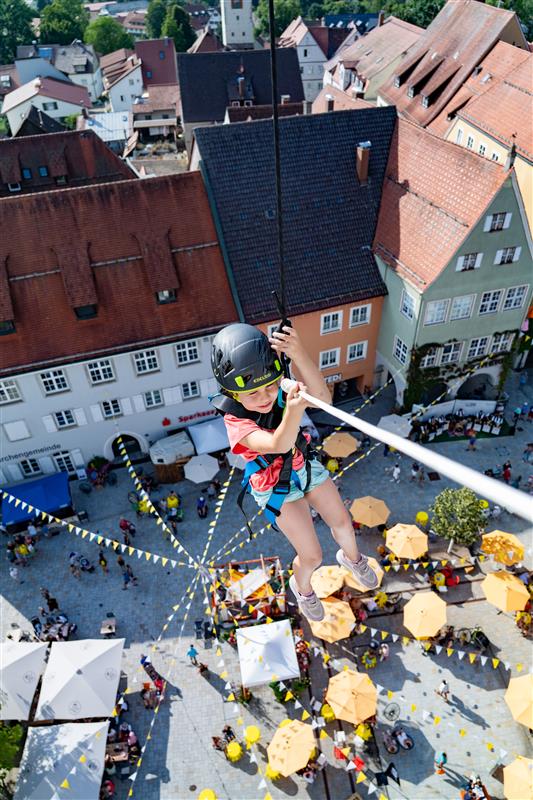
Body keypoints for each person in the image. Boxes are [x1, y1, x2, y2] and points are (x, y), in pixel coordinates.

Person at [210, 323, 378, 623]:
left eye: (270, 386)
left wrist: (297, 352)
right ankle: (302, 590)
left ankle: (353, 560)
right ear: (232, 393)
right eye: (253, 392)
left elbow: (324, 399)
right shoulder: (236, 422)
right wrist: (293, 410)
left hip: (303, 464)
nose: (264, 396)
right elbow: (277, 444)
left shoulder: (276, 388)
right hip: (274, 486)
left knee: (342, 523)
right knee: (312, 555)